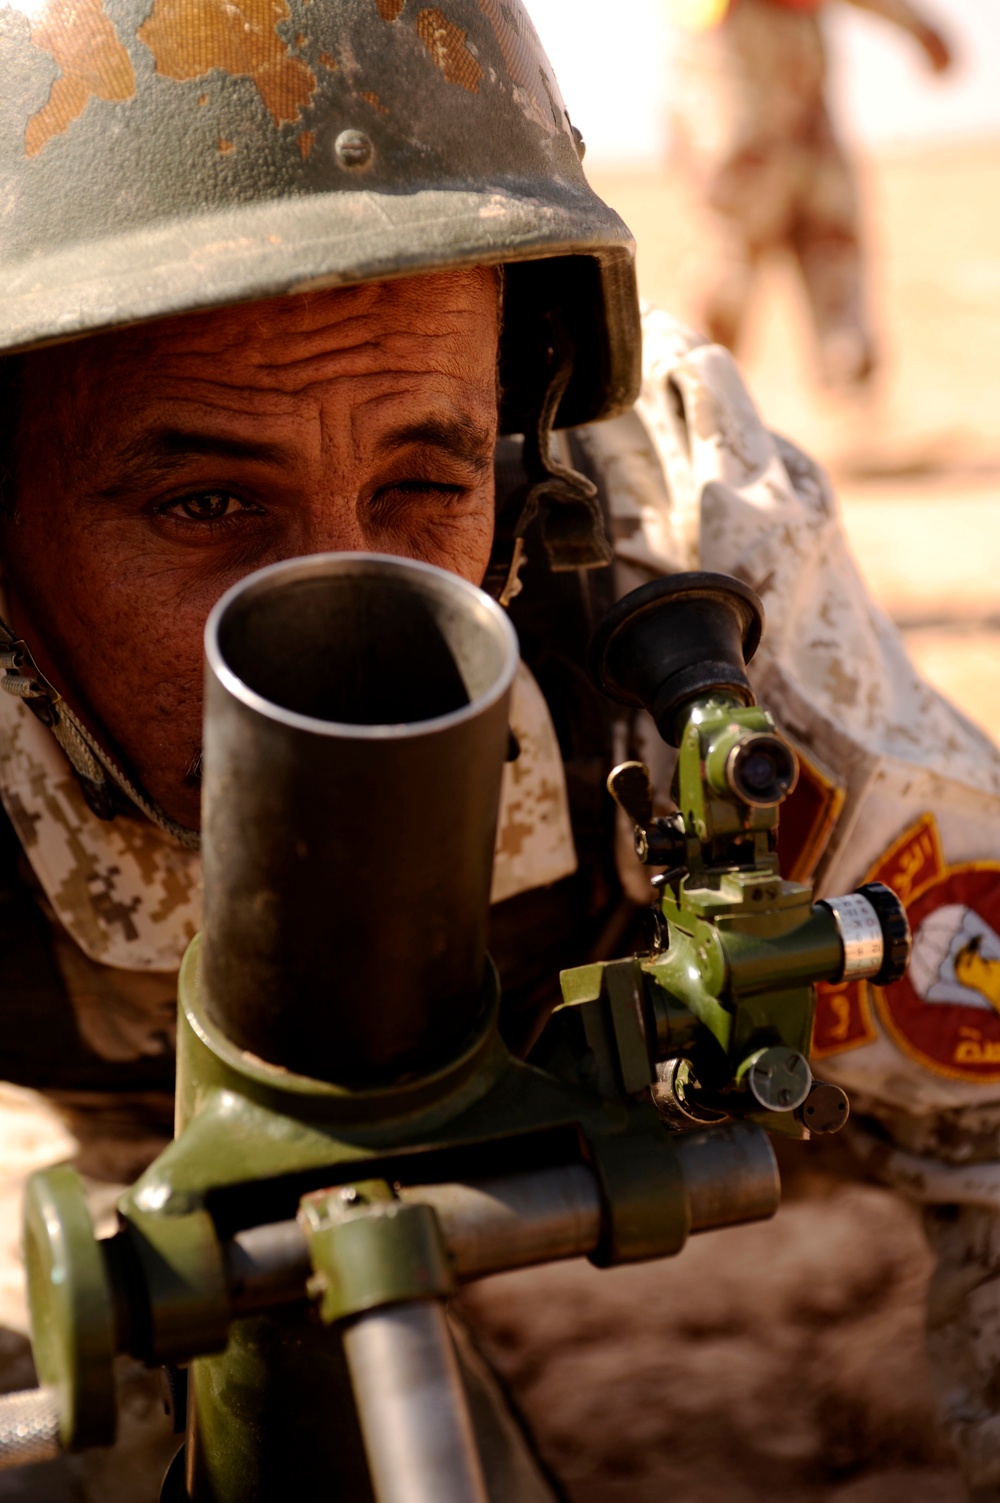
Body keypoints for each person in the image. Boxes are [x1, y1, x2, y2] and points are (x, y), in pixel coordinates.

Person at [0, 1, 999, 1500]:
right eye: (207, 502)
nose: (354, 618)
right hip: (108, 1138)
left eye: (422, 479)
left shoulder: (675, 576)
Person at [667, 0, 952, 388]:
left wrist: (917, 26)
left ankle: (849, 406)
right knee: (730, 252)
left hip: (792, 60)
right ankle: (696, 398)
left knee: (829, 235)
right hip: (733, 63)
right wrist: (917, 26)